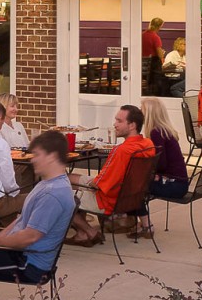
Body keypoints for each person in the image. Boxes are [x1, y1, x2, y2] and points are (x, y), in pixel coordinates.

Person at [0, 130, 76, 283]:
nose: (32, 160)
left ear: (52, 156)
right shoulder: (46, 183)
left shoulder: (53, 194)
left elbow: (29, 237)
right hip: (20, 252)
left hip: (30, 265)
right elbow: (20, 220)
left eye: (37, 154)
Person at [65, 105, 156, 247]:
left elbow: (98, 184)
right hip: (128, 196)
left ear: (132, 125)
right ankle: (81, 230)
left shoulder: (121, 151)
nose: (115, 124)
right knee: (68, 178)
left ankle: (88, 232)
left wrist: (88, 186)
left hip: (107, 200)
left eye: (119, 121)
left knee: (58, 195)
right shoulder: (148, 144)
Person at [139, 98, 188, 237]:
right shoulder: (165, 130)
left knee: (134, 187)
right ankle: (136, 222)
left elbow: (161, 163)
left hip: (173, 185)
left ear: (149, 113)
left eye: (142, 109)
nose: (140, 112)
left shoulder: (156, 133)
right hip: (180, 183)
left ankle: (145, 225)